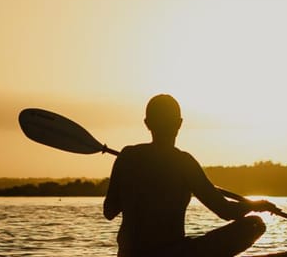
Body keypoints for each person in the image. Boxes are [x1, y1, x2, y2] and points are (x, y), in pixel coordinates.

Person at [104, 94, 276, 257]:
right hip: (173, 253)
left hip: (129, 254)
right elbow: (225, 211)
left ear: (147, 123)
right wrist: (255, 205)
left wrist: (133, 187)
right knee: (255, 224)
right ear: (178, 124)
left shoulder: (127, 156)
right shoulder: (183, 162)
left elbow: (109, 211)